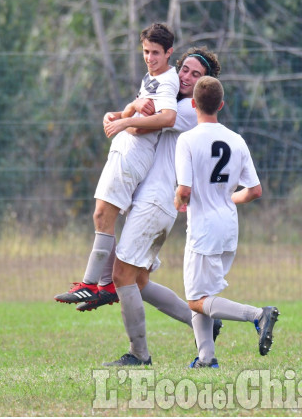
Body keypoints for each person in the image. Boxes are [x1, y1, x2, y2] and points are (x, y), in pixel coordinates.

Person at [94, 48, 224, 366]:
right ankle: (207, 323)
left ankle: (139, 355)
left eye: (196, 74)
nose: (186, 76)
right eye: (184, 70)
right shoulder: (175, 101)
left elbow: (141, 126)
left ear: (204, 85)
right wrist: (128, 111)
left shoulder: (190, 109)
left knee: (121, 275)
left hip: (156, 201)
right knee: (138, 281)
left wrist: (122, 117)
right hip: (152, 200)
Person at [55, 23, 178, 304]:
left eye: (156, 53)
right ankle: (104, 283)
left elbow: (167, 117)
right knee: (102, 216)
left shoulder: (168, 80)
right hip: (126, 152)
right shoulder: (151, 77)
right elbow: (139, 112)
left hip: (132, 156)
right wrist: (120, 114)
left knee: (102, 215)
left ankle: (91, 283)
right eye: (146, 51)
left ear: (169, 52)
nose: (149, 57)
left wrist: (127, 120)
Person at [174, 76, 279, 368]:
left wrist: (178, 201)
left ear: (193, 104)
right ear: (220, 105)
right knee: (203, 294)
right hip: (228, 227)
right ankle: (206, 359)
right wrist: (227, 201)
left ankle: (257, 315)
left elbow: (184, 191)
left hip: (203, 230)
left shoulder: (187, 140)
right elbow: (255, 191)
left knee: (195, 300)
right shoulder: (236, 140)